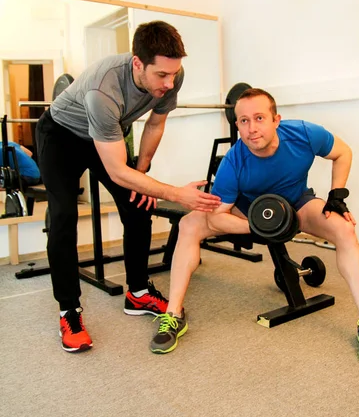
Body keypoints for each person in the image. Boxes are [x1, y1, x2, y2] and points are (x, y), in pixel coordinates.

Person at [150, 87, 359, 365]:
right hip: (248, 210)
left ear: (276, 119)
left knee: (344, 229)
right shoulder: (233, 161)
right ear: (237, 125)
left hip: (296, 203)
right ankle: (174, 314)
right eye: (244, 121)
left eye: (260, 118)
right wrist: (258, 226)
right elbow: (217, 216)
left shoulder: (304, 134)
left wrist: (337, 195)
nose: (252, 128)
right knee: (190, 223)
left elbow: (343, 152)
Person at [35, 20, 221, 353]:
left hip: (107, 136)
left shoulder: (171, 75)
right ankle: (69, 311)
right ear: (138, 63)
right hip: (61, 135)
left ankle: (137, 292)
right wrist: (174, 192)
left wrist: (144, 173)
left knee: (139, 204)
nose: (169, 82)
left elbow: (156, 122)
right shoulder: (103, 89)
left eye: (173, 74)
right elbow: (118, 171)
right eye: (161, 76)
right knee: (62, 216)